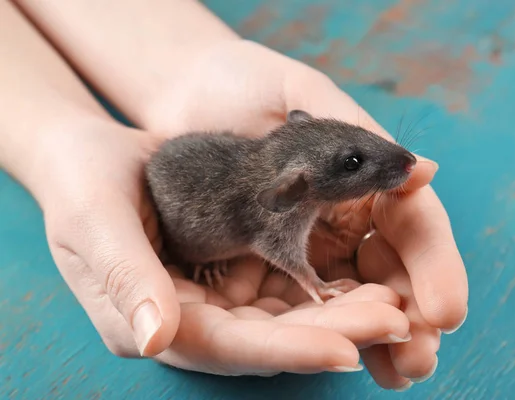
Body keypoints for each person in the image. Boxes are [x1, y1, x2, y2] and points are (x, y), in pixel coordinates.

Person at [0, 0, 468, 391]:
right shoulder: (277, 205)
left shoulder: (290, 176)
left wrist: (192, 64)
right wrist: (316, 284)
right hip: (189, 229)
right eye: (353, 164)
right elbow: (275, 244)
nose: (402, 161)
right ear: (292, 191)